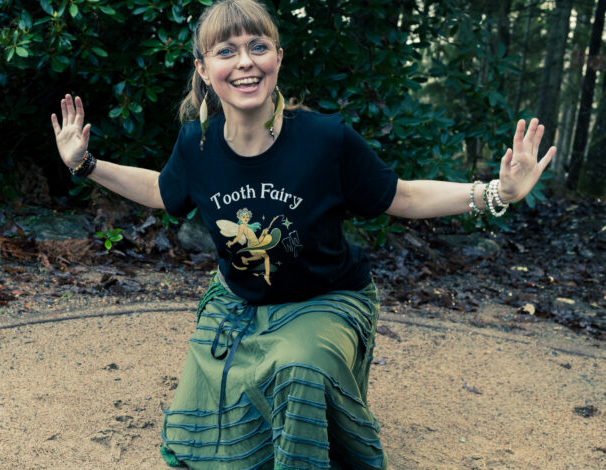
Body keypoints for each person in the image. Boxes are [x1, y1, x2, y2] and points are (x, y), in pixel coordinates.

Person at [50, 1, 555, 468]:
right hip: (239, 302)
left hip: (328, 298)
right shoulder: (196, 144)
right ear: (204, 71)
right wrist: (85, 163)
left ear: (278, 58)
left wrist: (496, 193)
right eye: (226, 51)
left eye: (258, 47)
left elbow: (401, 196)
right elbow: (165, 191)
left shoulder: (325, 139)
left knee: (300, 367)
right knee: (202, 442)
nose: (245, 62)